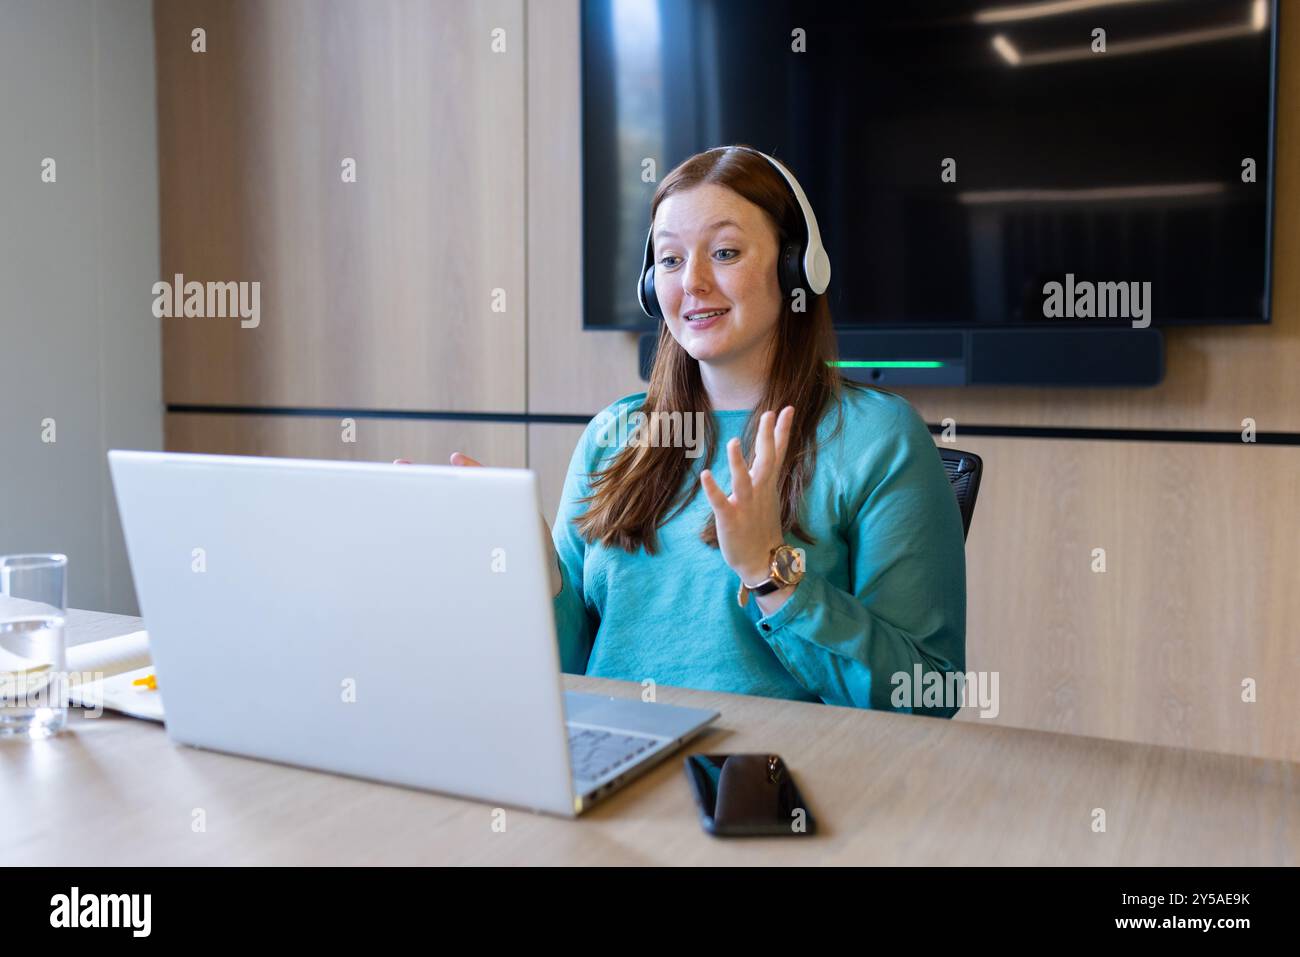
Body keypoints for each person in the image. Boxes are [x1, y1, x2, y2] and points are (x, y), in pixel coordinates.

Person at [439, 145, 966, 716]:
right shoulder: (615, 435)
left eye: (724, 252)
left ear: (796, 269)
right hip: (613, 761)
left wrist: (774, 575)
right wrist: (538, 574)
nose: (692, 282)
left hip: (767, 784)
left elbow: (929, 692)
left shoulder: (878, 437)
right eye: (669, 260)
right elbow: (573, 665)